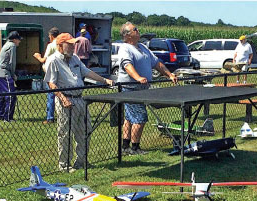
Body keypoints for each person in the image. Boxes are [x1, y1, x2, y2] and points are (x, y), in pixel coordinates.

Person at [44, 33, 114, 172]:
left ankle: (81, 161)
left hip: (80, 99)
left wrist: (105, 80)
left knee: (85, 131)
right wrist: (63, 99)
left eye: (73, 44)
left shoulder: (75, 58)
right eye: (69, 44)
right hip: (66, 100)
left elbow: (87, 72)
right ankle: (64, 165)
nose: (72, 46)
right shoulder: (53, 60)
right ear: (60, 45)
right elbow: (51, 83)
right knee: (65, 134)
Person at [117, 22, 178, 155]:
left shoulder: (143, 47)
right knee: (140, 117)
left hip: (142, 88)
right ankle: (134, 148)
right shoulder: (125, 48)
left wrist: (169, 74)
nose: (138, 31)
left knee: (129, 117)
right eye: (135, 29)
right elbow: (127, 66)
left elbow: (156, 63)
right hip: (130, 88)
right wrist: (138, 77)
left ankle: (125, 146)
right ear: (127, 35)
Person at [33, 27, 60, 124]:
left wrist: (37, 56)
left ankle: (50, 117)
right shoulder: (61, 44)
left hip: (51, 73)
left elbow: (43, 60)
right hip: (60, 72)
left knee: (51, 95)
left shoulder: (51, 45)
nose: (49, 37)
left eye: (49, 36)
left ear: (52, 36)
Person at [0, 31, 22, 122]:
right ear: (14, 39)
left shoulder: (6, 44)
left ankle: (0, 115)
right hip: (5, 73)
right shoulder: (12, 46)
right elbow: (12, 62)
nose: (19, 42)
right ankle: (8, 117)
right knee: (11, 95)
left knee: (1, 95)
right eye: (18, 40)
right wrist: (13, 74)